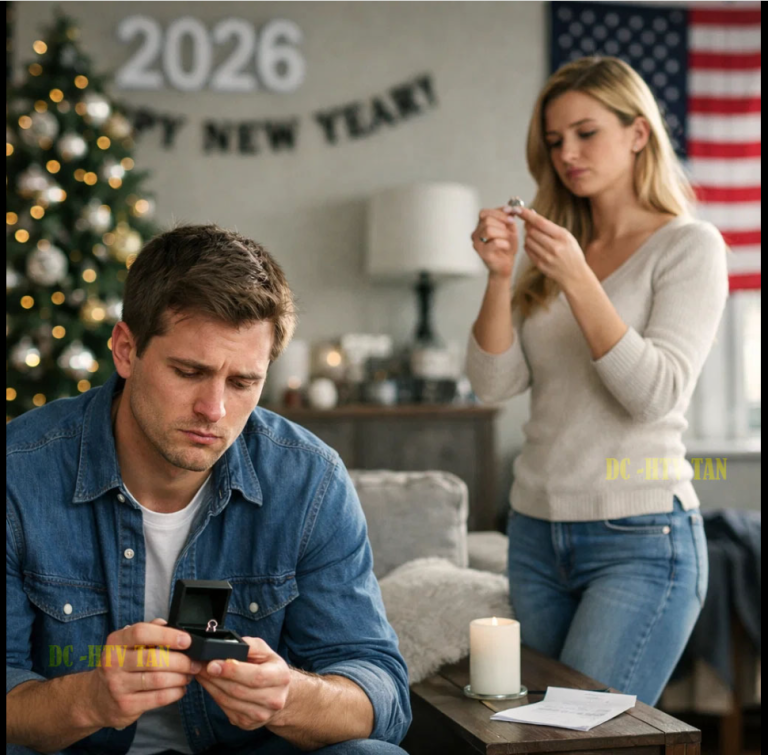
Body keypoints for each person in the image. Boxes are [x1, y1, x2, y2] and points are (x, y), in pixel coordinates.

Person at [6, 225, 411, 755]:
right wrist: (91, 699)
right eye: (189, 371)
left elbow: (381, 693)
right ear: (126, 351)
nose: (214, 410)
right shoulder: (19, 472)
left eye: (243, 382)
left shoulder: (309, 480)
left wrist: (287, 696)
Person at [466, 56, 727, 707]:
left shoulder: (689, 246)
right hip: (533, 534)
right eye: (555, 141)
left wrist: (581, 280)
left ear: (638, 132)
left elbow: (655, 392)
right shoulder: (554, 252)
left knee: (578, 737)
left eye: (586, 133)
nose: (567, 154)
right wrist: (500, 277)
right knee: (527, 734)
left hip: (639, 539)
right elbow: (493, 386)